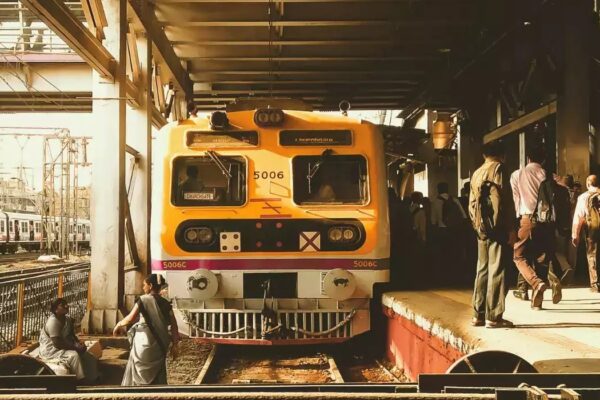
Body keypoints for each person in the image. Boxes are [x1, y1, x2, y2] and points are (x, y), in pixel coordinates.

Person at [468, 142, 516, 328]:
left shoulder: (477, 173)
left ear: (484, 155)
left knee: (483, 268)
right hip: (498, 227)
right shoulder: (499, 169)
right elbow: (505, 202)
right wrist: (511, 228)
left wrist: (478, 225)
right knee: (497, 268)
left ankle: (477, 314)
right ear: (502, 154)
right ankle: (494, 316)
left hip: (481, 227)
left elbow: (472, 203)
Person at [510, 146, 559, 310]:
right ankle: (537, 303)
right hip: (546, 222)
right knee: (542, 259)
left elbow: (516, 200)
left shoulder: (517, 174)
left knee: (519, 256)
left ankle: (536, 283)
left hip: (527, 219)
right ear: (543, 160)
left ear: (528, 158)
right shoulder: (547, 174)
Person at [113, 274, 180, 385]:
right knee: (158, 369)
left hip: (143, 341)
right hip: (160, 343)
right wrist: (175, 344)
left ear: (151, 285)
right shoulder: (166, 303)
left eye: (144, 285)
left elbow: (130, 318)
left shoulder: (143, 300)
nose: (143, 288)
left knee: (139, 369)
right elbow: (174, 325)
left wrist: (119, 324)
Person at [38, 298, 99, 383]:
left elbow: (71, 335)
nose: (67, 306)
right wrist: (76, 348)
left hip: (64, 346)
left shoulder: (67, 319)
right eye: (62, 305)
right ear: (55, 309)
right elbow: (57, 343)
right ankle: (80, 381)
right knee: (73, 356)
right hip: (51, 351)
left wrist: (79, 344)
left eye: (66, 304)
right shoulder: (53, 322)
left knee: (89, 357)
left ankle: (94, 378)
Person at [571, 175, 600, 292]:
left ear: (588, 184)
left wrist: (575, 235)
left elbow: (578, 217)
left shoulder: (583, 197)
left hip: (592, 229)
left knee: (592, 255)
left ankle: (595, 284)